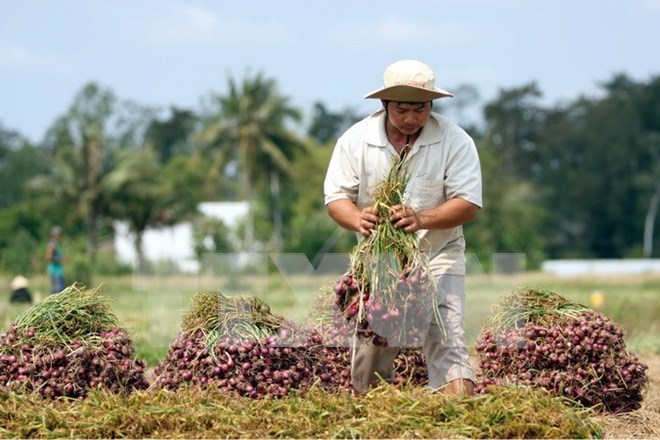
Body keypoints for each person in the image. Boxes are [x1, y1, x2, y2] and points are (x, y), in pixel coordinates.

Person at [323, 59, 482, 396]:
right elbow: (336, 197)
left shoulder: (456, 141)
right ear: (384, 105)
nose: (412, 119)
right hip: (381, 260)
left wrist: (421, 219)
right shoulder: (356, 140)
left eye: (420, 109)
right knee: (373, 341)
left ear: (432, 105)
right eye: (402, 109)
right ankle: (370, 413)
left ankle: (462, 418)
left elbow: (468, 203)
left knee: (447, 334)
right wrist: (357, 218)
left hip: (438, 253)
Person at [45, 225, 66, 293]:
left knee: (60, 290)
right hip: (55, 271)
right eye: (58, 234)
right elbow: (48, 257)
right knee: (57, 291)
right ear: (54, 234)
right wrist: (61, 259)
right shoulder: (52, 244)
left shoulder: (56, 244)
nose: (59, 236)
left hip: (58, 271)